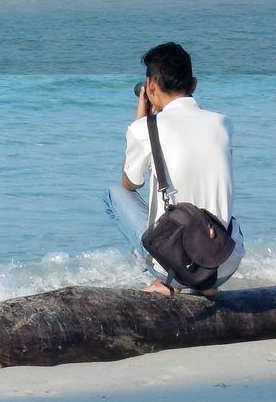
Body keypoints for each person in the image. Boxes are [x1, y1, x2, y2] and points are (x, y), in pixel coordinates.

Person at [104, 42, 243, 296]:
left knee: (114, 196)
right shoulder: (224, 124)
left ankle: (164, 278)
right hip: (223, 263)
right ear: (194, 85)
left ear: (151, 87)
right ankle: (202, 285)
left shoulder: (145, 128)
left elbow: (129, 183)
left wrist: (142, 119)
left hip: (177, 266)